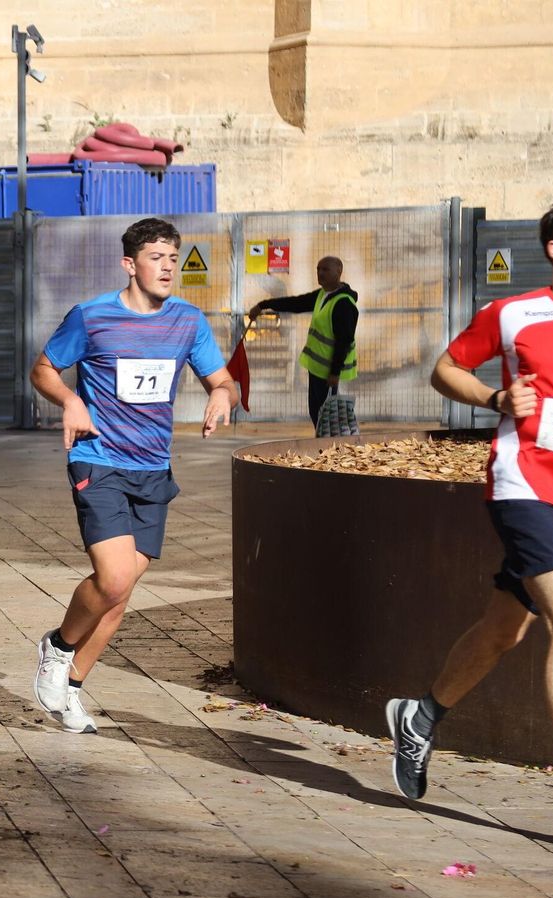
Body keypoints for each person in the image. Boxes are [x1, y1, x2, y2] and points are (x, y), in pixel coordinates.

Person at [387, 192, 553, 836]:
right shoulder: (512, 313)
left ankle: (421, 717)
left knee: (505, 628)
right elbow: (445, 370)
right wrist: (496, 394)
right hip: (521, 483)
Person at [29, 217, 236, 733]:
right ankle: (56, 646)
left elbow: (223, 378)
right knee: (114, 576)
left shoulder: (187, 321)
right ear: (130, 264)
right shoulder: (92, 317)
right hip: (99, 460)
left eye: (173, 258)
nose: (167, 267)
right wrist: (72, 400)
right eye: (156, 258)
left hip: (153, 469)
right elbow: (43, 370)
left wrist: (220, 394)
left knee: (120, 594)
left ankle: (71, 686)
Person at [246, 256, 359, 427]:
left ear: (339, 271)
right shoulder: (323, 295)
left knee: (326, 416)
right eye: (318, 269)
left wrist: (335, 373)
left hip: (328, 371)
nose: (320, 273)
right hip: (316, 368)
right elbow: (295, 303)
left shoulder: (343, 304)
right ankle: (324, 445)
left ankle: (329, 448)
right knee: (317, 412)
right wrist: (263, 305)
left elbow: (344, 341)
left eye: (325, 269)